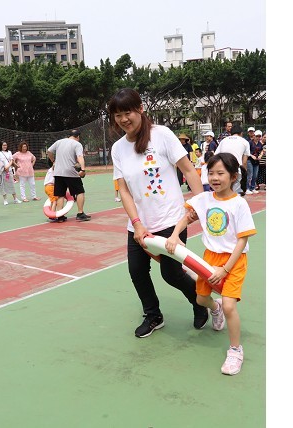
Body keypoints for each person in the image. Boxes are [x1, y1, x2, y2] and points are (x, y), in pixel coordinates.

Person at [107, 87, 209, 338]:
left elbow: (188, 170)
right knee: (137, 271)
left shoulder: (161, 135)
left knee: (171, 274)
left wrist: (199, 205)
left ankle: (199, 302)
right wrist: (137, 224)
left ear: (140, 109)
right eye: (118, 115)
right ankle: (153, 315)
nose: (123, 119)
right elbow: (124, 190)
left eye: (128, 112)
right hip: (139, 225)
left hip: (171, 220)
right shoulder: (118, 148)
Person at [165, 152, 256, 375]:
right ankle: (215, 309)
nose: (214, 178)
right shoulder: (204, 199)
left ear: (233, 176)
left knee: (230, 305)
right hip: (210, 257)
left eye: (220, 173)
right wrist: (174, 235)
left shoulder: (239, 204)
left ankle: (235, 350)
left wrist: (225, 269)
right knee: (201, 299)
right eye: (211, 173)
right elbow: (187, 218)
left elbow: (242, 240)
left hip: (234, 260)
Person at [47, 130, 91, 222]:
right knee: (79, 191)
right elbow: (80, 157)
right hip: (71, 172)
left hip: (58, 172)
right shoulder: (77, 144)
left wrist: (53, 161)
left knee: (60, 194)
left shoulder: (59, 142)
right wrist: (83, 169)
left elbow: (49, 151)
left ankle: (60, 215)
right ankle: (80, 213)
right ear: (77, 137)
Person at [214, 124, 250, 196]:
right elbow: (244, 162)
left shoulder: (224, 140)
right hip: (236, 169)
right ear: (241, 133)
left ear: (231, 133)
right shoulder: (245, 142)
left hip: (223, 168)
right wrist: (244, 173)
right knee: (235, 192)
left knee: (223, 190)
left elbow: (216, 155)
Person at [0, 141, 21, 205]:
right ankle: (5, 200)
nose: (5, 146)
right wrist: (2, 166)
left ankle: (15, 199)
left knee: (11, 184)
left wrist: (8, 166)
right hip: (2, 171)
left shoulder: (9, 152)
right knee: (2, 185)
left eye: (5, 145)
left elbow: (11, 160)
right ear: (1, 146)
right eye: (3, 145)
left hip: (9, 171)